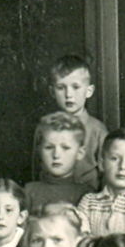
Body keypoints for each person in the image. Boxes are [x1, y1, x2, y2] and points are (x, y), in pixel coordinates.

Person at [33, 54, 106, 189]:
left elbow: (106, 173)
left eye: (76, 87)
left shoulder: (98, 130)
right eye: (61, 88)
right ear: (52, 91)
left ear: (89, 91)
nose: (68, 95)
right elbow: (36, 168)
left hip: (88, 198)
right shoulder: (44, 127)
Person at [25, 112, 94, 211]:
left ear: (80, 152)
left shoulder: (87, 194)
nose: (56, 155)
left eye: (65, 148)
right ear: (39, 150)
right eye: (49, 147)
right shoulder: (29, 191)